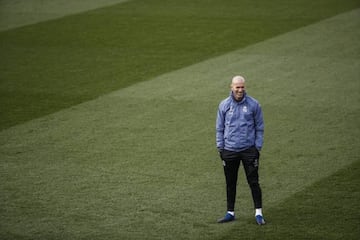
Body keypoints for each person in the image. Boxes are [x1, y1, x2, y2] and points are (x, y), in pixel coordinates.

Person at [215, 75, 265, 225]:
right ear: (231, 87)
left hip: (249, 150)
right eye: (237, 87)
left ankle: (258, 213)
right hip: (229, 150)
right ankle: (230, 212)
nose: (240, 90)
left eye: (242, 87)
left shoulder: (254, 105)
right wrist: (221, 148)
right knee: (230, 182)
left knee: (253, 182)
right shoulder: (224, 105)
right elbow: (219, 128)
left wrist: (257, 147)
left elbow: (260, 127)